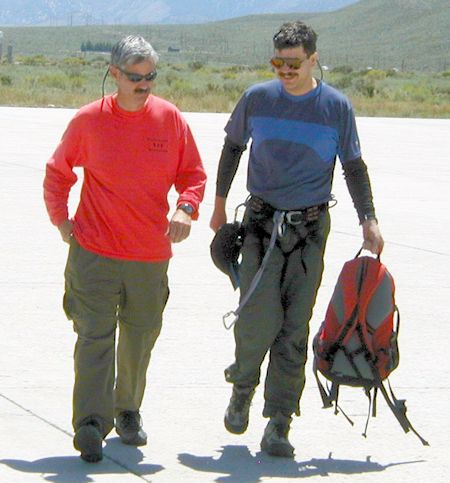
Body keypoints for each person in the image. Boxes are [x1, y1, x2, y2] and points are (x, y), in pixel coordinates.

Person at [209, 21, 384, 458]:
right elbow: (233, 149)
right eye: (278, 62)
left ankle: (279, 422)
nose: (285, 70)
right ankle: (243, 387)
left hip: (309, 232)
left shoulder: (335, 107)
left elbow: (354, 167)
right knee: (255, 317)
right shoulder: (257, 98)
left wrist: (369, 219)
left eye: (294, 63)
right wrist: (218, 203)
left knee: (293, 326)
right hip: (260, 226)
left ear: (313, 59)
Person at [43, 35, 206, 463]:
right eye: (135, 77)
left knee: (139, 336)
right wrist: (62, 220)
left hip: (149, 256)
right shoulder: (88, 121)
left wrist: (186, 209)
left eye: (150, 76)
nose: (144, 84)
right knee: (94, 336)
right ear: (114, 74)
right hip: (94, 253)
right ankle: (91, 424)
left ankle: (128, 410)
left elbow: (192, 174)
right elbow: (58, 173)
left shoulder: (169, 120)